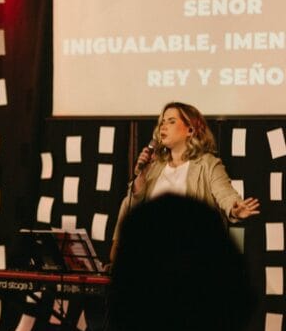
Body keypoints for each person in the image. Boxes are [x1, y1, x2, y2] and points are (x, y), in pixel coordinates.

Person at [108, 194, 255, 331]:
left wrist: (233, 209)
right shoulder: (148, 174)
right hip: (151, 273)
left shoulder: (206, 167)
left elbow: (223, 191)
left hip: (195, 267)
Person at [110, 101, 260, 262]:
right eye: (162, 122)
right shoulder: (154, 167)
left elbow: (225, 194)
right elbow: (132, 206)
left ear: (190, 129)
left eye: (171, 121)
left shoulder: (207, 164)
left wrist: (235, 208)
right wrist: (141, 174)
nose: (163, 126)